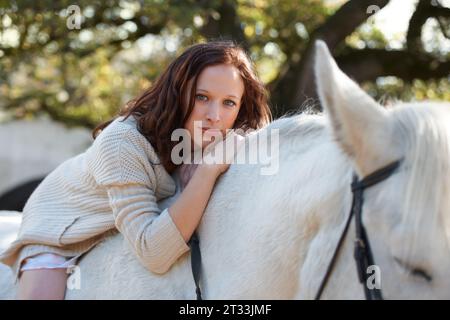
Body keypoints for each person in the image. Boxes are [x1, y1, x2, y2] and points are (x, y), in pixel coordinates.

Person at [0, 40, 272, 299]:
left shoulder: (222, 139)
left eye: (229, 103)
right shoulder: (123, 142)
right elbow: (154, 252)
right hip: (60, 222)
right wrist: (207, 170)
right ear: (178, 94)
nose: (214, 115)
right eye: (202, 97)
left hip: (120, 223)